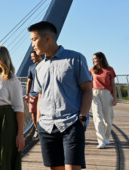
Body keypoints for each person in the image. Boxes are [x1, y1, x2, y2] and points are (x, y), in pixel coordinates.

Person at [29, 21, 92, 169]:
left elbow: (87, 89)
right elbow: (40, 95)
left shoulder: (75, 58)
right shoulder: (39, 67)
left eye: (34, 39)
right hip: (47, 126)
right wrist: (39, 122)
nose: (32, 44)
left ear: (47, 38)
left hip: (71, 123)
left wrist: (82, 118)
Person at [90, 51, 117, 149]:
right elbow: (88, 83)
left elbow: (113, 85)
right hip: (94, 94)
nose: (93, 61)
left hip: (106, 94)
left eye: (95, 58)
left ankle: (106, 137)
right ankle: (101, 141)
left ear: (101, 59)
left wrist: (114, 98)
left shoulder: (110, 70)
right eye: (93, 59)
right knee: (97, 118)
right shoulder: (92, 70)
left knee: (108, 119)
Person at [25, 50, 43, 139]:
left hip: (44, 94)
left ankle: (43, 131)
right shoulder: (31, 67)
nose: (32, 58)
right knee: (33, 113)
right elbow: (29, 81)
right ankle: (37, 130)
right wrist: (27, 94)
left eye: (33, 56)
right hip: (33, 94)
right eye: (31, 56)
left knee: (43, 114)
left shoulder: (46, 65)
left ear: (39, 55)